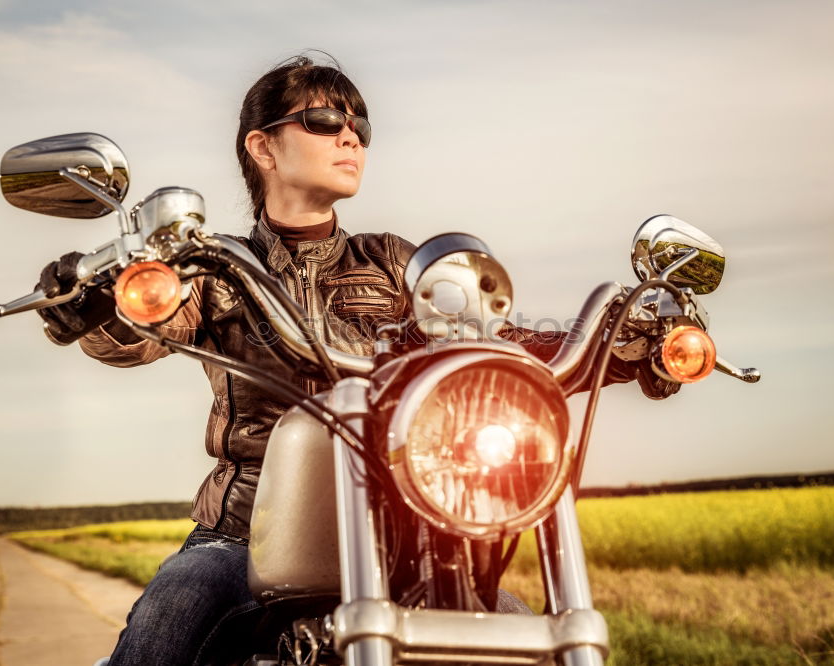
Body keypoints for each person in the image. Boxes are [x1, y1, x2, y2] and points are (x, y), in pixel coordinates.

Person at [36, 54, 652, 665]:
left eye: (360, 126)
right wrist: (93, 305)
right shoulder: (215, 266)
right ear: (264, 147)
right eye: (325, 120)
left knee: (518, 630)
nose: (351, 135)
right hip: (246, 533)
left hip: (404, 531)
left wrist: (626, 341)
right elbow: (141, 330)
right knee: (167, 621)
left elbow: (488, 339)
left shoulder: (392, 262)